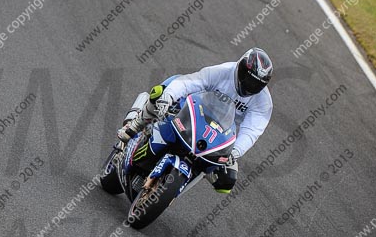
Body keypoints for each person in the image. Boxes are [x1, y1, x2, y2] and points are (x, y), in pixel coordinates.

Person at [117, 47, 273, 193]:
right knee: (162, 91)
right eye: (247, 79)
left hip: (221, 131)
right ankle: (135, 125)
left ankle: (180, 186)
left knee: (227, 181)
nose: (249, 86)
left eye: (256, 85)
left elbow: (252, 130)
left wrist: (236, 151)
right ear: (239, 68)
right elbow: (191, 82)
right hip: (194, 110)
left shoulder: (264, 102)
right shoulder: (223, 71)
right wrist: (169, 97)